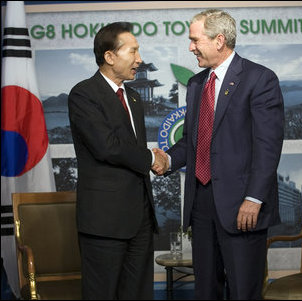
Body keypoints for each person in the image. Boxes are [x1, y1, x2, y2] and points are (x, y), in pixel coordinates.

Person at [156, 9, 284, 300]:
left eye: (194, 40)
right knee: (205, 291)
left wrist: (254, 199)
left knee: (243, 291)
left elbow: (268, 146)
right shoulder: (197, 83)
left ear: (219, 40)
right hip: (201, 204)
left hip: (242, 206)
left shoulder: (259, 79)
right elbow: (192, 141)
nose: (190, 47)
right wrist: (167, 160)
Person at [68, 22, 168, 300]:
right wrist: (150, 157)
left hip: (140, 218)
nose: (139, 59)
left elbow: (129, 149)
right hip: (105, 222)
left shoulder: (134, 98)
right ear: (110, 56)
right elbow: (106, 147)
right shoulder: (84, 94)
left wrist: (151, 158)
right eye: (133, 51)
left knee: (138, 294)